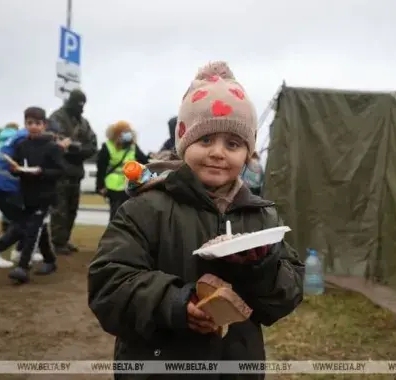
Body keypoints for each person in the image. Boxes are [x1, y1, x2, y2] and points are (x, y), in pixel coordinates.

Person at [87, 61, 304, 379]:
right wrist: (175, 303)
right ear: (184, 142)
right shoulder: (146, 209)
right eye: (205, 140)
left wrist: (262, 266)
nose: (218, 152)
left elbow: (286, 296)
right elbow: (109, 284)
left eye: (232, 144)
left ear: (248, 153)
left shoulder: (261, 216)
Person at [0, 125, 51, 268]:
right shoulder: (25, 140)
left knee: (27, 219)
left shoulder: (17, 137)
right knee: (27, 221)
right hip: (4, 185)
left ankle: (20, 251)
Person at [6, 106, 65, 284]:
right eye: (30, 123)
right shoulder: (21, 145)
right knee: (40, 230)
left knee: (32, 230)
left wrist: (42, 172)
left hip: (45, 196)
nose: (33, 126)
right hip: (27, 195)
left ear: (44, 125)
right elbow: (16, 168)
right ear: (25, 124)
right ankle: (50, 260)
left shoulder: (52, 147)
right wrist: (15, 170)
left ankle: (23, 267)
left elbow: (60, 171)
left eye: (38, 123)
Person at [48, 89, 98, 255]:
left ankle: (65, 239)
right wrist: (75, 148)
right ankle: (57, 242)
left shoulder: (83, 122)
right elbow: (58, 142)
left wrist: (76, 148)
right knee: (59, 210)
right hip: (59, 172)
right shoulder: (57, 117)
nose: (81, 107)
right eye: (78, 104)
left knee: (72, 209)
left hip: (75, 172)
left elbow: (92, 145)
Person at [95, 121, 150, 221]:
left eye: (129, 131)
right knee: (116, 214)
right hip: (113, 186)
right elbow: (101, 168)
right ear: (117, 133)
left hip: (129, 186)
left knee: (127, 215)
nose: (128, 134)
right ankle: (114, 235)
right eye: (125, 132)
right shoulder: (107, 146)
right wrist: (100, 186)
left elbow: (144, 162)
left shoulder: (133, 146)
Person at [0, 123, 20, 231]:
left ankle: (5, 228)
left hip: (0, 175)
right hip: (12, 174)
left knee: (5, 204)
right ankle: (12, 230)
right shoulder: (16, 139)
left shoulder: (0, 142)